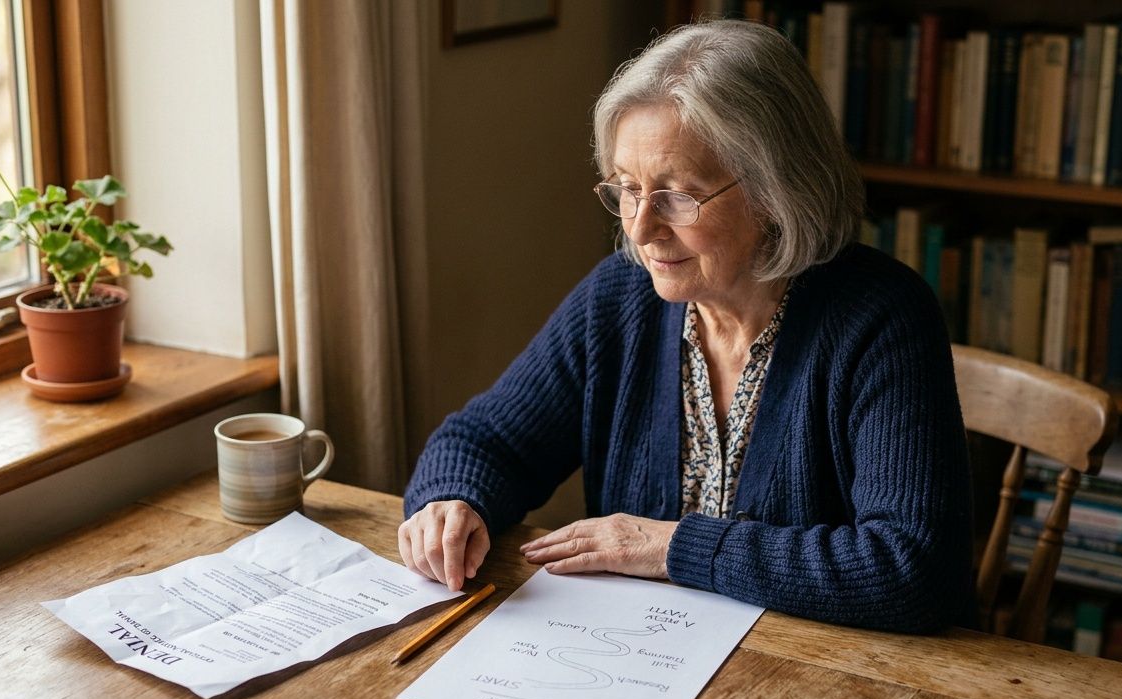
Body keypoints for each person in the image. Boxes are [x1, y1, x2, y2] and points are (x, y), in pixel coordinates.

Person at [398, 19, 974, 632]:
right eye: (627, 188)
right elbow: (488, 439)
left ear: (776, 191)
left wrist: (672, 547)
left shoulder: (880, 317)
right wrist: (451, 501)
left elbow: (912, 569)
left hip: (829, 681)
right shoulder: (617, 301)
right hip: (646, 669)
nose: (641, 229)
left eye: (678, 195)